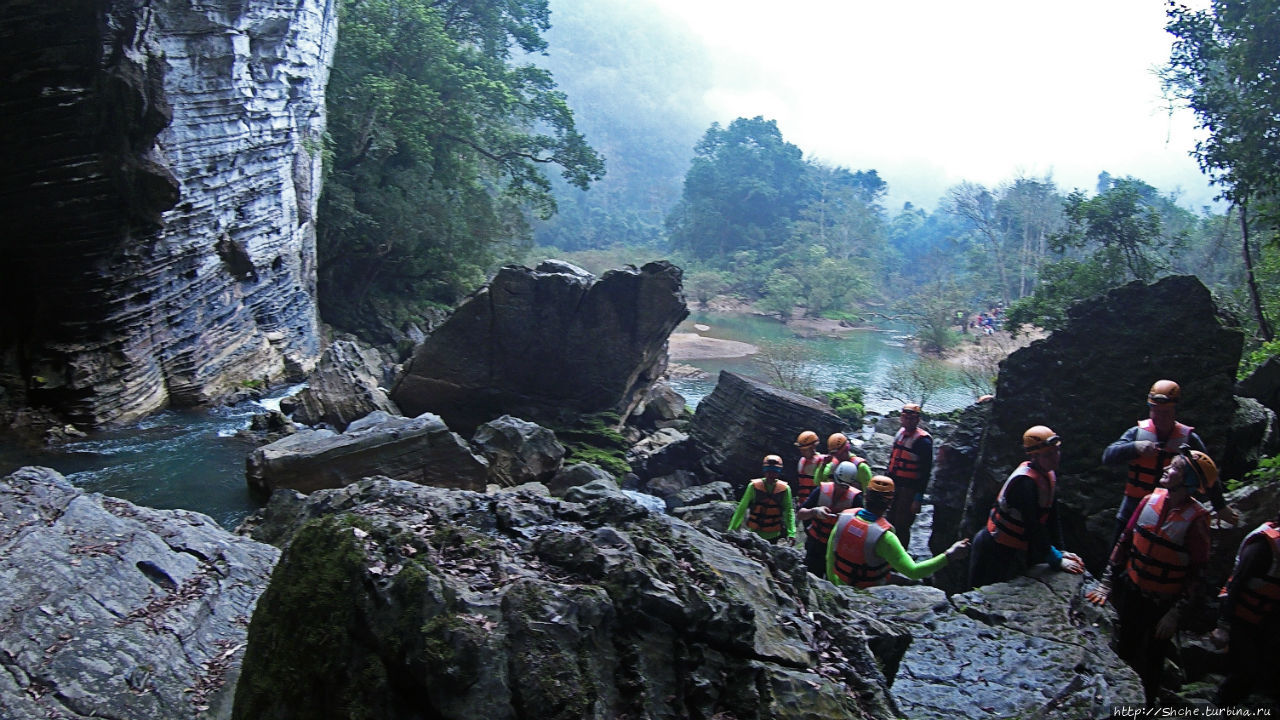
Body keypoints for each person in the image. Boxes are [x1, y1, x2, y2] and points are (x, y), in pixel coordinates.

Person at [1086, 447, 1216, 706]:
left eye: (1175, 468)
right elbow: (1124, 542)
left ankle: (1145, 703)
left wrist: (1175, 614)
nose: (1166, 469)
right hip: (1133, 590)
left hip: (1162, 604)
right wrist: (1106, 582)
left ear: (1188, 480)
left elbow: (1198, 572)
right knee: (1125, 646)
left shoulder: (1196, 520)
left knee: (1154, 657)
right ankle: (1115, 702)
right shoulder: (1149, 500)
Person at [1102, 379, 1235, 545]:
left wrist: (1220, 506)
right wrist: (1135, 447)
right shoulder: (1136, 433)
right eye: (1156, 411)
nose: (1160, 417)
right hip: (1133, 509)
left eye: (1165, 412)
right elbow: (1108, 456)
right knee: (1117, 554)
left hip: (1172, 513)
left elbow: (1207, 473)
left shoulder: (1189, 439)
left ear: (1174, 410)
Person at [969, 425, 1085, 589]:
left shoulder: (1047, 475)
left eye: (1056, 451)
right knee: (980, 591)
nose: (1055, 457)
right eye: (1049, 454)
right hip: (992, 548)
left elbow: (1052, 517)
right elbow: (1033, 526)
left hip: (1014, 548)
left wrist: (1061, 551)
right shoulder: (1024, 483)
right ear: (1035, 457)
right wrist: (1056, 559)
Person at [826, 475, 969, 588]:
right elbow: (914, 572)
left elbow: (829, 557)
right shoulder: (885, 538)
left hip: (840, 586)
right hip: (869, 593)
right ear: (889, 503)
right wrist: (949, 555)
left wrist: (834, 586)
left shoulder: (843, 518)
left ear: (866, 496)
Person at [1210, 510, 1280, 707]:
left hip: (1266, 619)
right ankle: (1218, 707)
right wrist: (1223, 626)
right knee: (1246, 671)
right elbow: (1237, 583)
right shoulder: (1265, 545)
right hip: (1239, 616)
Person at [797, 458, 865, 577]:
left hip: (837, 549)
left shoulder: (855, 499)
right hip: (815, 545)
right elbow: (801, 513)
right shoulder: (821, 490)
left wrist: (847, 520)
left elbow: (862, 529)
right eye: (838, 483)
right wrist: (814, 511)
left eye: (845, 486)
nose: (840, 489)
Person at [885, 403, 933, 549]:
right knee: (888, 521)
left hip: (909, 490)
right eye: (905, 418)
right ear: (901, 418)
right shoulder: (900, 433)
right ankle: (886, 552)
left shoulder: (923, 441)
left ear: (918, 420)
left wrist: (918, 499)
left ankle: (900, 558)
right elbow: (892, 461)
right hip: (894, 486)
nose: (908, 421)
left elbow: (925, 472)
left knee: (902, 525)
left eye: (912, 418)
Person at [727, 455, 796, 544]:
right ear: (764, 470)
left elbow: (789, 512)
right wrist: (732, 529)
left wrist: (792, 533)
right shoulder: (753, 486)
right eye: (768, 470)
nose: (771, 474)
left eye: (775, 471)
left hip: (773, 535)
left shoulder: (785, 489)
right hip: (754, 533)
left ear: (779, 472)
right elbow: (742, 508)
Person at [793, 430, 826, 509]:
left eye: (805, 450)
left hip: (815, 504)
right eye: (801, 450)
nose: (802, 452)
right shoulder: (802, 461)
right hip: (802, 504)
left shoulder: (822, 461)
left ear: (813, 447)